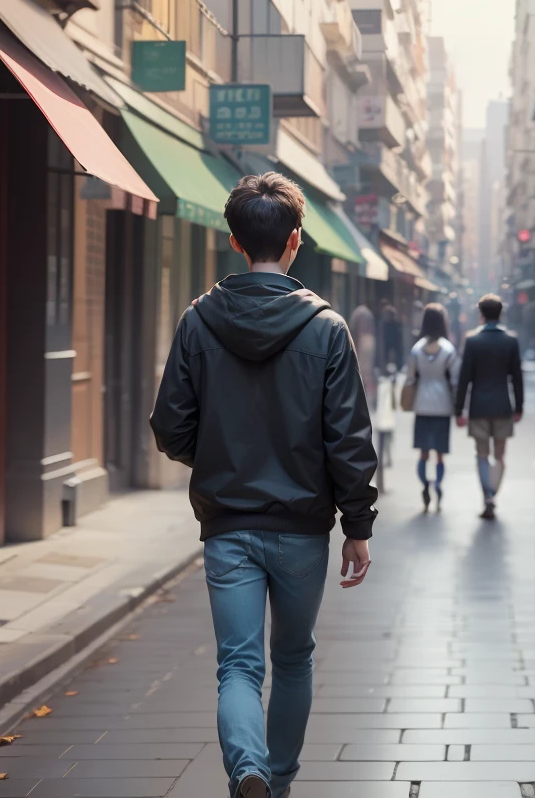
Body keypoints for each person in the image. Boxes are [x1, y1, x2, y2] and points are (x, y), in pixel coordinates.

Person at [149, 172, 377, 798]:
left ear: (233, 241)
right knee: (295, 658)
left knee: (238, 667)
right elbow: (350, 441)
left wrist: (216, 455)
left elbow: (170, 427)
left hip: (228, 525)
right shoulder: (327, 329)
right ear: (296, 240)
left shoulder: (198, 322)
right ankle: (276, 783)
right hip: (302, 528)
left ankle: (245, 769)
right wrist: (357, 527)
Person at [454, 293, 524, 519]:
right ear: (500, 313)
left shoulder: (472, 341)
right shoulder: (511, 341)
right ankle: (493, 492)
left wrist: (459, 409)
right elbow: (516, 377)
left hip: (479, 407)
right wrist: (519, 406)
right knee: (500, 455)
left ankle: (487, 496)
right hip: (503, 406)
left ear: (481, 314)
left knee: (481, 454)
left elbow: (465, 378)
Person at [404, 302, 458, 511]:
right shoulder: (448, 349)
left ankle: (425, 486)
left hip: (422, 405)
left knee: (423, 453)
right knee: (440, 454)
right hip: (442, 406)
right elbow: (454, 381)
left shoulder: (416, 349)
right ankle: (438, 486)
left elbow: (410, 379)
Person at [378, 300, 404, 374]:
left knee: (387, 353)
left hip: (389, 333)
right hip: (393, 333)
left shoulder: (386, 311)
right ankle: (398, 367)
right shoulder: (392, 310)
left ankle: (387, 369)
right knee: (395, 353)